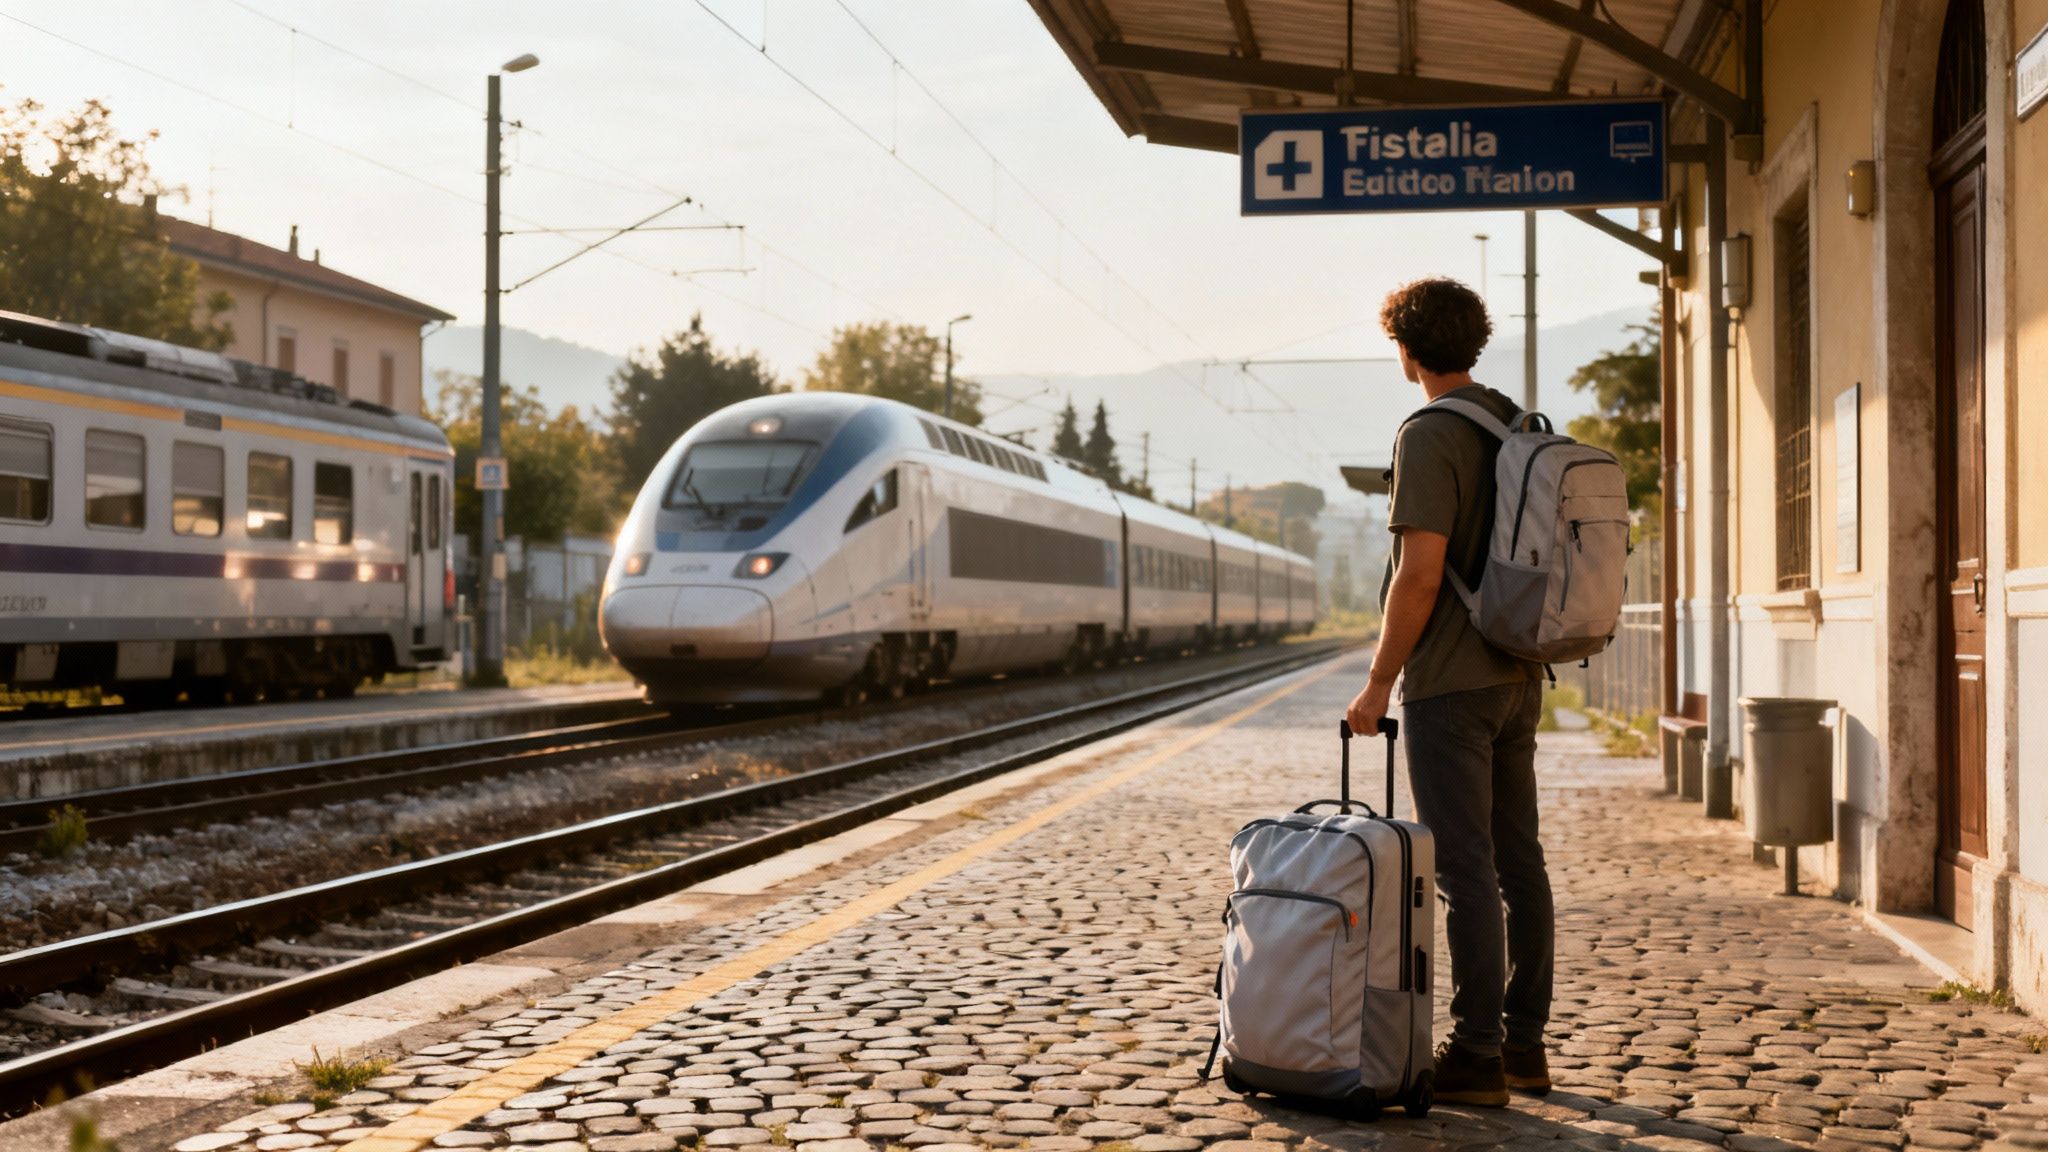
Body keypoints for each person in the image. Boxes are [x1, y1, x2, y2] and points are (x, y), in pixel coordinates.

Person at [1343, 277, 1552, 1108]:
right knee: (1518, 863)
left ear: (1406, 349)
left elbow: (1420, 575)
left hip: (1452, 687)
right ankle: (1525, 1047)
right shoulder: (1513, 422)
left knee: (1466, 870)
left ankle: (1477, 1053)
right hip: (1518, 676)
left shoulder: (1428, 434)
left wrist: (1376, 683)